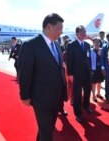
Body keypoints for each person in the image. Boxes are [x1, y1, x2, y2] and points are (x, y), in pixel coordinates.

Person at [18, 13, 67, 141]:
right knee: (47, 133)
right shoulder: (30, 45)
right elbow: (24, 73)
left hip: (56, 97)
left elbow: (58, 68)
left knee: (47, 129)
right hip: (41, 97)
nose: (61, 32)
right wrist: (25, 96)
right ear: (49, 27)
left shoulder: (56, 45)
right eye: (59, 28)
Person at [66, 25, 93, 122]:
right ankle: (78, 113)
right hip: (76, 74)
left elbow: (88, 59)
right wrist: (70, 74)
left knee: (87, 91)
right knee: (77, 94)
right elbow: (69, 61)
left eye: (85, 32)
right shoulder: (71, 45)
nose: (84, 34)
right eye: (82, 32)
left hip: (87, 73)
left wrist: (91, 71)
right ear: (77, 33)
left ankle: (86, 106)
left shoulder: (87, 45)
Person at [101, 32, 109, 103]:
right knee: (107, 84)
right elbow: (102, 58)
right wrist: (102, 68)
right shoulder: (104, 46)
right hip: (107, 69)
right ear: (107, 38)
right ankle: (107, 97)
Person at [91, 37, 104, 102]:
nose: (97, 43)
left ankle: (98, 94)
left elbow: (104, 59)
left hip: (100, 69)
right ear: (93, 43)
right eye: (95, 42)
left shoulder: (102, 50)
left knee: (99, 82)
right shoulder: (90, 51)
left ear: (100, 43)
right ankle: (93, 96)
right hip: (93, 69)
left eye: (98, 42)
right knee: (93, 83)